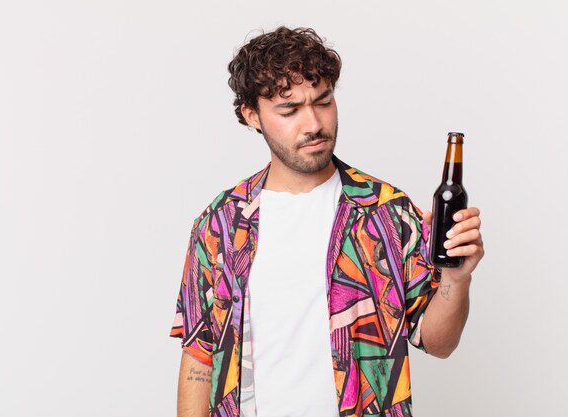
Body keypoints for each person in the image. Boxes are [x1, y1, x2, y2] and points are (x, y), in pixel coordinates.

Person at [169, 26, 484, 417]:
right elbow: (199, 355)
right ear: (252, 115)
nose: (314, 124)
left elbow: (439, 343)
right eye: (290, 110)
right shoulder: (221, 223)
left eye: (323, 102)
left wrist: (456, 278)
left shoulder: (387, 212)